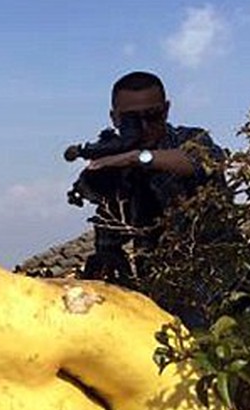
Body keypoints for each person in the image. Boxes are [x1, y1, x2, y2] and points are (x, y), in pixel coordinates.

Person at [77, 71, 228, 324]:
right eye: (131, 119)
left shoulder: (189, 140)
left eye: (152, 115)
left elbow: (206, 161)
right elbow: (109, 240)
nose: (144, 127)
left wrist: (138, 157)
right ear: (114, 118)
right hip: (163, 298)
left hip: (220, 287)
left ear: (166, 110)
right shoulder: (113, 163)